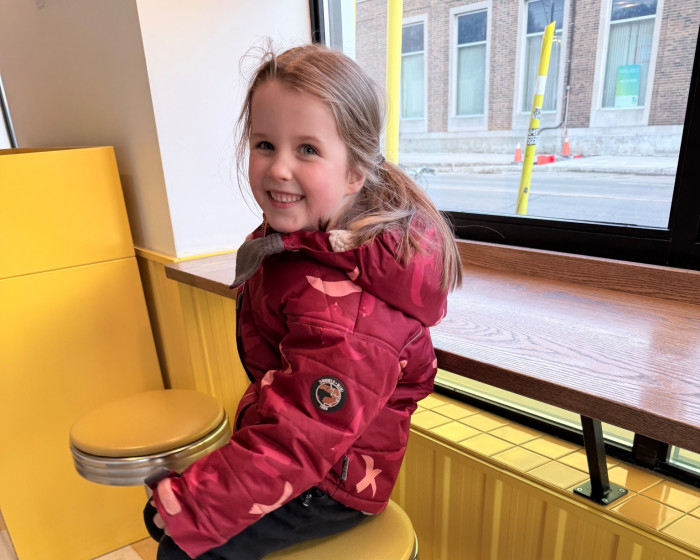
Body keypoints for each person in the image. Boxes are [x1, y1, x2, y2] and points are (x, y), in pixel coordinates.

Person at [144, 42, 462, 560]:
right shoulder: (310, 239)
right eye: (265, 144)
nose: (278, 169)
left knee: (183, 547)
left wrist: (195, 505)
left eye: (308, 150)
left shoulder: (348, 315)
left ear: (355, 172)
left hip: (332, 483)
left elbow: (299, 440)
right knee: (176, 518)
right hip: (309, 448)